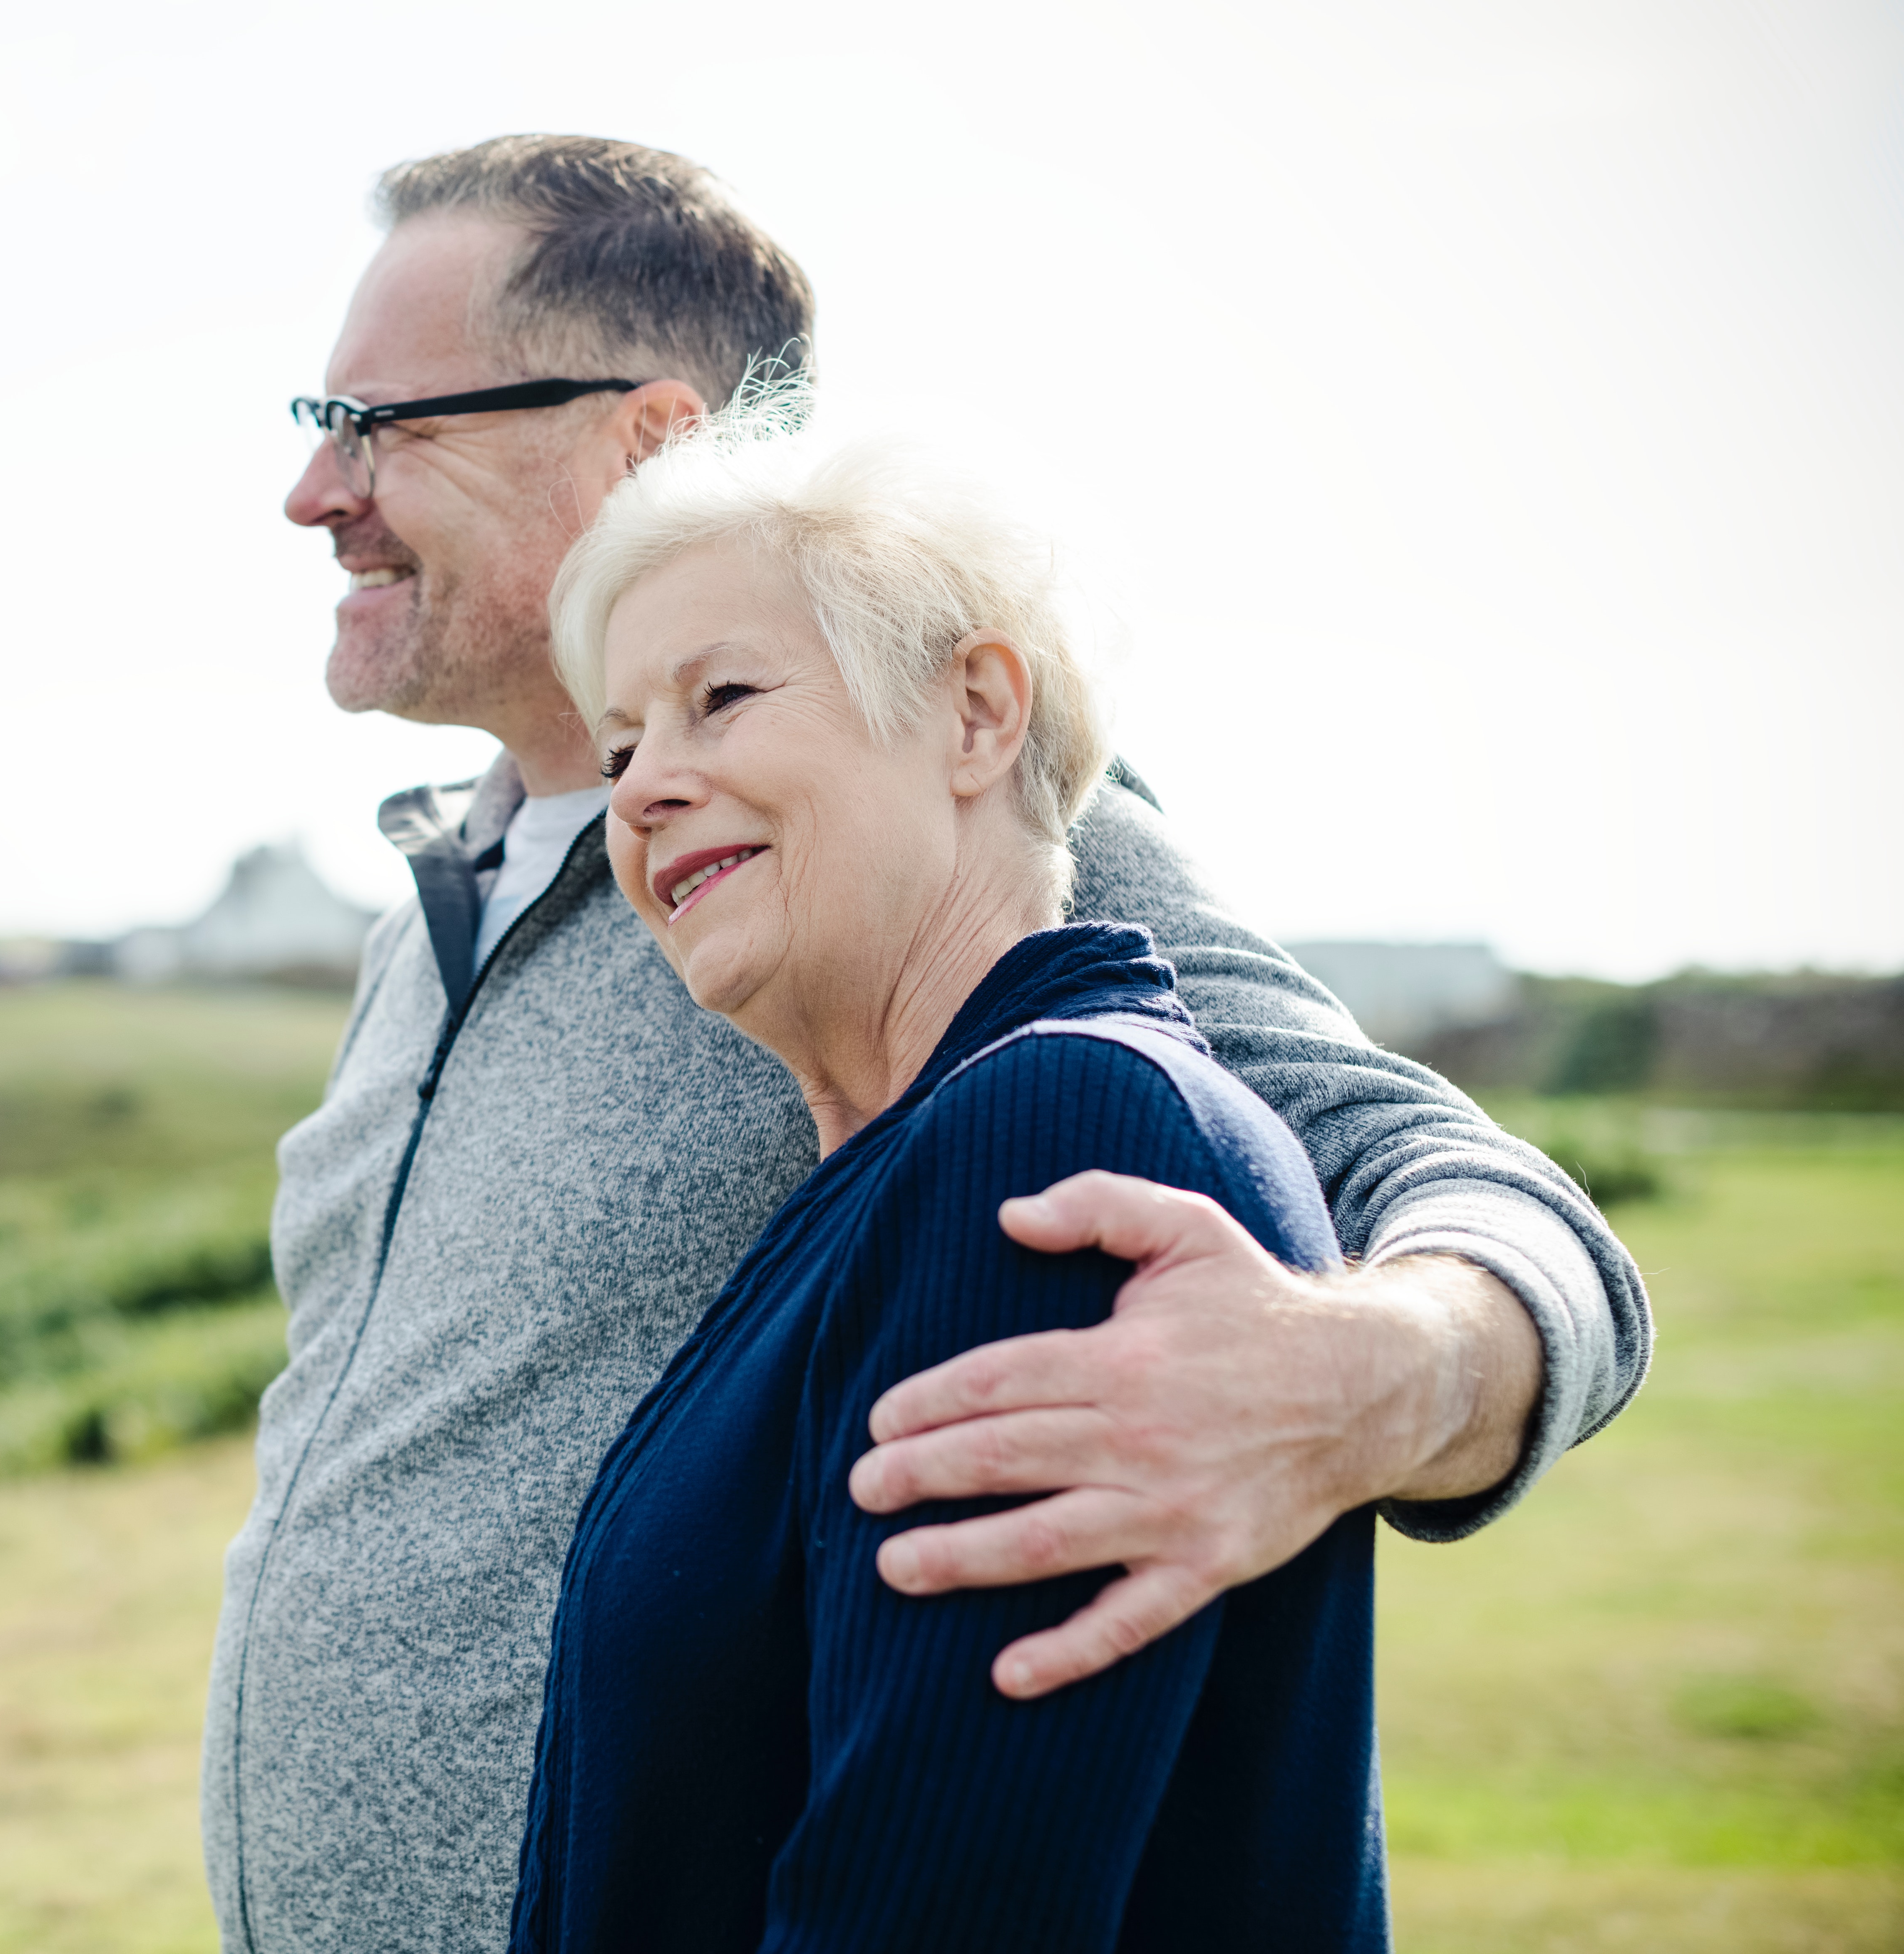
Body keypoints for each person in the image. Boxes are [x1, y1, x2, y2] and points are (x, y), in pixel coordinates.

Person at [202, 134, 1646, 1954]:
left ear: (648, 440)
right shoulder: (433, 903)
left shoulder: (925, 826)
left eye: (374, 419)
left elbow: (1463, 1188)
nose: (312, 491)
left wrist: (1379, 1377)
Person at [510, 417, 1382, 1951]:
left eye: (722, 698)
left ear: (976, 715)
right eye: (624, 743)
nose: (643, 790)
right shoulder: (890, 1176)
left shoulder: (1054, 1131)